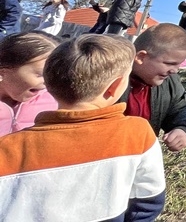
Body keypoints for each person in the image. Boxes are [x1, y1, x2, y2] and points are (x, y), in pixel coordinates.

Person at [0, 34, 166, 221]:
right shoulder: (137, 133)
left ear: (49, 81)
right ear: (114, 86)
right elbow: (148, 200)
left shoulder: (6, 148)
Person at [120, 23, 186, 153]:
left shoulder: (169, 82)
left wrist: (183, 129)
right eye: (169, 63)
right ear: (141, 57)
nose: (175, 70)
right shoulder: (110, 80)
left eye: (179, 64)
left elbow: (182, 107)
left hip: (143, 155)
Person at [0, 32, 60, 136]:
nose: (48, 81)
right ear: (2, 72)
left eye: (52, 75)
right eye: (41, 74)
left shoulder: (53, 103)